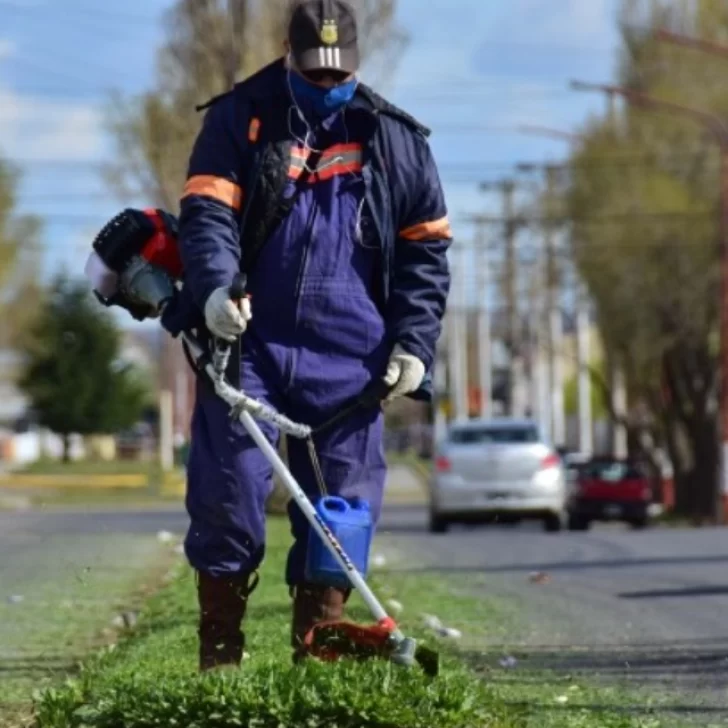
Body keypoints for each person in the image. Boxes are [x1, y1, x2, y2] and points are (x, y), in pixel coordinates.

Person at [172, 0, 452, 671]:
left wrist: (413, 344)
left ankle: (315, 665)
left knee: (341, 520)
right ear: (289, 58)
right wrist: (213, 293)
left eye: (339, 75)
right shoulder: (239, 118)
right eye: (313, 73)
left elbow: (426, 254)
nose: (327, 86)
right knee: (229, 501)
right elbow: (207, 217)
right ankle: (221, 659)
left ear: (357, 65)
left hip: (353, 363)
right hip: (249, 349)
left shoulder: (395, 140)